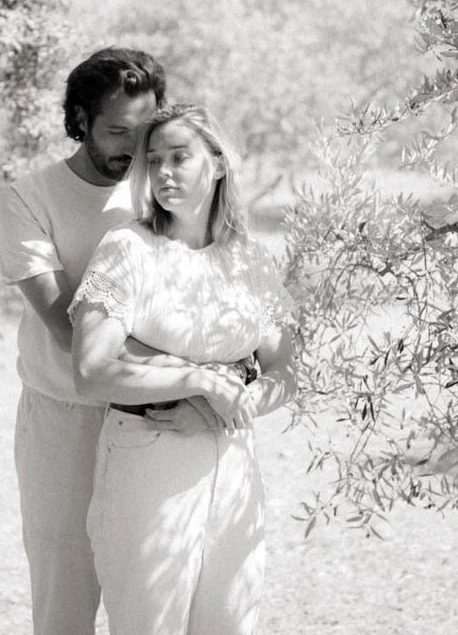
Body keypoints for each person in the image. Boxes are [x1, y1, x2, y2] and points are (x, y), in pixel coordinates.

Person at [69, 104, 298, 635]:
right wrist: (196, 382)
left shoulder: (248, 259)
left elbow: (287, 370)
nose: (164, 172)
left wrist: (224, 411)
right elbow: (92, 370)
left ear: (217, 164)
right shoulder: (128, 250)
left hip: (235, 464)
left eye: (180, 157)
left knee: (230, 623)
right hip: (146, 457)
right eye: (154, 161)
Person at [0, 47, 167, 635]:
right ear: (79, 120)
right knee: (63, 602)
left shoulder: (161, 192)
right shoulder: (29, 198)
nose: (132, 145)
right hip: (63, 422)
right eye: (117, 130)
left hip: (154, 419)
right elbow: (67, 329)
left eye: (144, 129)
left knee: (148, 599)